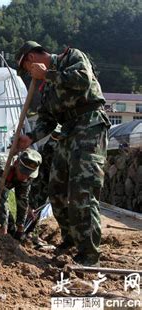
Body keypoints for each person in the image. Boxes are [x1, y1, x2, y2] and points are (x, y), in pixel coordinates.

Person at [15, 41, 111, 266]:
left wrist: (49, 74)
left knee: (82, 191)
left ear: (30, 59)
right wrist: (30, 138)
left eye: (28, 70)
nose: (31, 75)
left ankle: (89, 255)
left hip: (89, 126)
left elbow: (83, 80)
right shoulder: (46, 87)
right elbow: (48, 119)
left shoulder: (71, 57)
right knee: (56, 191)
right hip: (67, 132)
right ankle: (71, 239)